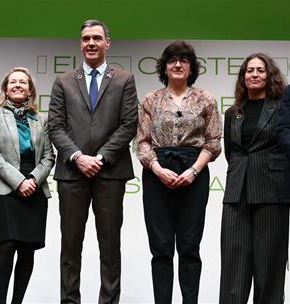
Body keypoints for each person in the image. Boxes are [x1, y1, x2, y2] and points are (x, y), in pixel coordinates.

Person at [48, 19, 138, 304]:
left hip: (110, 172)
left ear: (107, 43)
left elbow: (128, 124)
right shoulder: (63, 80)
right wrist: (78, 157)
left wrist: (99, 158)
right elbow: (56, 126)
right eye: (86, 38)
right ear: (80, 43)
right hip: (72, 173)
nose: (91, 43)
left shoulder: (124, 79)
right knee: (70, 247)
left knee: (110, 246)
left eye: (96, 38)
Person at [136, 41, 222, 304]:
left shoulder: (205, 98)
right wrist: (158, 169)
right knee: (161, 248)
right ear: (164, 67)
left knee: (189, 247)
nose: (177, 64)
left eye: (184, 60)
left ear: (191, 67)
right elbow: (142, 142)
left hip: (194, 173)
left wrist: (194, 171)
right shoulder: (151, 99)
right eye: (172, 60)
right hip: (157, 171)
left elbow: (214, 142)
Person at [0, 67, 55, 304]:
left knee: (27, 248)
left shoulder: (41, 119)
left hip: (35, 186)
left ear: (30, 89)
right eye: (13, 82)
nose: (18, 85)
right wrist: (18, 181)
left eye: (23, 82)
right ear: (5, 88)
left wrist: (32, 179)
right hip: (5, 186)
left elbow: (48, 156)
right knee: (8, 244)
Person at [221, 53, 288, 304]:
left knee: (269, 266)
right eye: (249, 70)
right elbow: (232, 152)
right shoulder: (233, 112)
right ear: (243, 77)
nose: (255, 74)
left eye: (260, 70)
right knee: (233, 267)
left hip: (273, 192)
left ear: (269, 75)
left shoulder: (282, 108)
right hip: (237, 192)